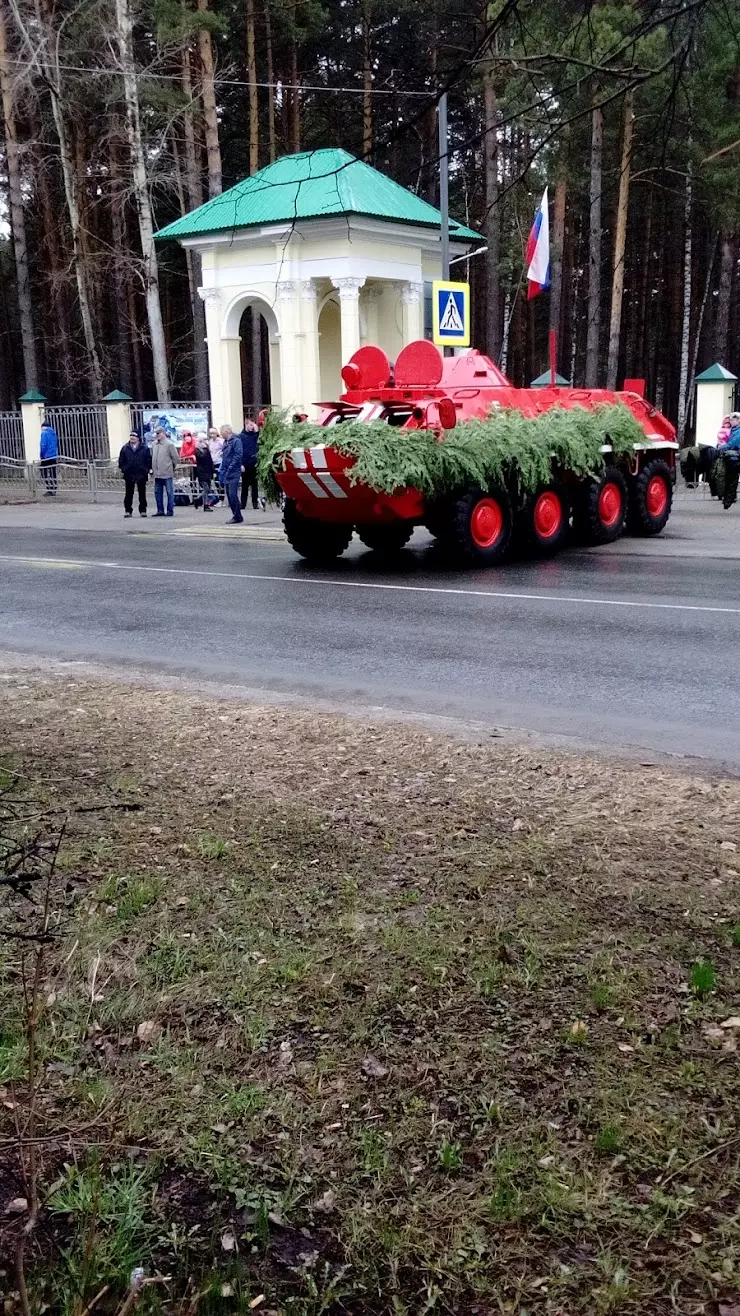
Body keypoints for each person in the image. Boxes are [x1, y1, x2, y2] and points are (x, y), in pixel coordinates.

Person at [118, 431, 152, 518]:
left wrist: (146, 470)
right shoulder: (125, 448)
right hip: (129, 474)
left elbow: (148, 460)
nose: (132, 437)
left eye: (134, 436)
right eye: (131, 436)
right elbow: (121, 460)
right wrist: (124, 469)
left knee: (142, 493)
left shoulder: (144, 448)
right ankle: (128, 510)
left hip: (141, 473)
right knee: (129, 493)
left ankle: (143, 510)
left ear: (138, 438)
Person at [151, 426, 179, 517]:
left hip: (167, 472)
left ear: (163, 433)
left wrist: (171, 467)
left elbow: (175, 458)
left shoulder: (169, 444)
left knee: (169, 492)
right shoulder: (154, 444)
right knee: (157, 493)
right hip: (157, 473)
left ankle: (170, 510)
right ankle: (160, 510)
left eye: (159, 433)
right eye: (156, 433)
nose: (157, 435)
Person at [218, 424, 244, 524]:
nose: (221, 434)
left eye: (222, 432)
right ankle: (237, 515)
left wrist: (230, 467)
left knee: (232, 495)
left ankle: (237, 516)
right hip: (226, 471)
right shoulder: (226, 442)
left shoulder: (236, 441)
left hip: (234, 471)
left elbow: (238, 455)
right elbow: (225, 457)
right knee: (229, 495)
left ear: (227, 432)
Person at [238, 419, 263, 511]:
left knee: (254, 485)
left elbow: (260, 438)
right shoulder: (241, 436)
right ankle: (243, 504)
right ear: (246, 425)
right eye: (251, 425)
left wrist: (257, 429)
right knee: (245, 485)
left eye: (253, 425)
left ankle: (255, 503)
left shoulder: (255, 436)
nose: (252, 427)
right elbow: (239, 451)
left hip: (254, 464)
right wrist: (241, 464)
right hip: (245, 464)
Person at [722, 412, 740, 510]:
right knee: (732, 479)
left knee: (732, 479)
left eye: (734, 419)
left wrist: (720, 448)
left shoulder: (737, 431)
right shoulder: (733, 430)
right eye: (731, 420)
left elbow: (732, 444)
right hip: (734, 457)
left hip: (735, 458)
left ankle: (728, 500)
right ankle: (729, 499)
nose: (731, 421)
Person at [194, 433, 215, 512]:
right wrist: (206, 450)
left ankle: (202, 503)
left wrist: (213, 470)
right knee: (206, 488)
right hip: (201, 471)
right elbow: (200, 458)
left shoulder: (207, 448)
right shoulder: (197, 449)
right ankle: (201, 501)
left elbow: (210, 460)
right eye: (205, 439)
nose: (206, 440)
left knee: (208, 489)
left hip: (208, 471)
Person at [39, 419, 60, 496]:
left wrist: (41, 454)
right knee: (53, 472)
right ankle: (54, 488)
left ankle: (49, 488)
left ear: (43, 427)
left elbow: (43, 445)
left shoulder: (44, 433)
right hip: (53, 456)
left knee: (44, 473)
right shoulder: (54, 433)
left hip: (46, 456)